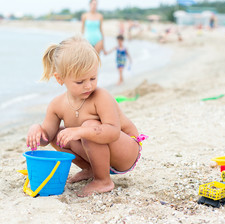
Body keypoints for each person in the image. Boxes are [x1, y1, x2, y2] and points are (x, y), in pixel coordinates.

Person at [26, 36, 147, 196]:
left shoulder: (101, 97)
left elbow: (113, 132)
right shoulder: (57, 105)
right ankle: (90, 169)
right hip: (99, 154)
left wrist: (81, 132)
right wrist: (37, 130)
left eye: (93, 78)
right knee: (58, 134)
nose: (88, 85)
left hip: (125, 151)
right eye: (80, 81)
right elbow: (46, 139)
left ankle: (103, 181)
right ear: (60, 79)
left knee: (88, 126)